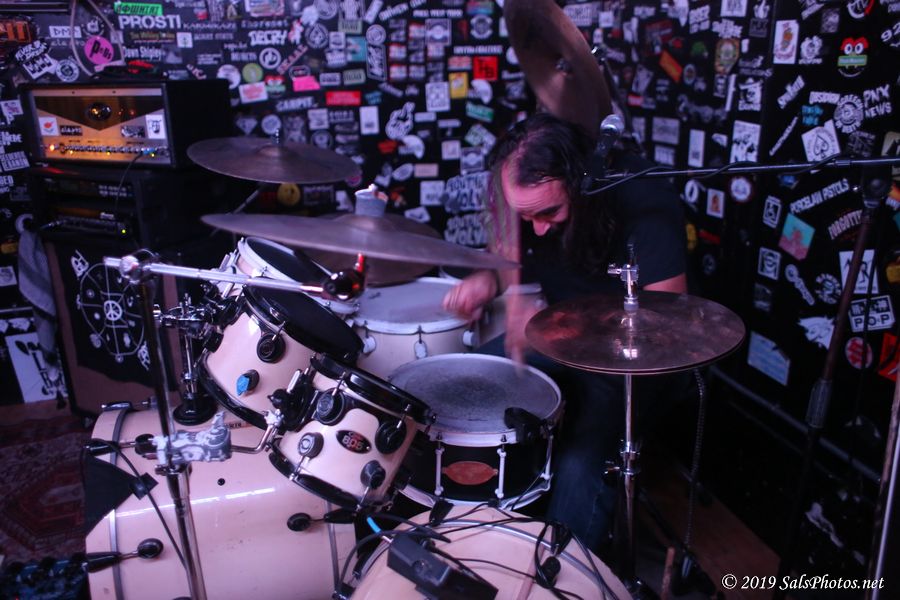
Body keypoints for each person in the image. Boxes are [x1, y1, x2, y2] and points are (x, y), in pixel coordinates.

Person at [443, 112, 688, 552]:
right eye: (526, 216)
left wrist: (559, 328)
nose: (537, 228)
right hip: (556, 339)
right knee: (466, 387)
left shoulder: (643, 199)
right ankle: (472, 541)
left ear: (581, 185)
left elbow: (666, 321)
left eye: (549, 213)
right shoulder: (524, 198)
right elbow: (508, 257)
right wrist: (488, 280)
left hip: (628, 362)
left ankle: (558, 570)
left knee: (580, 462)